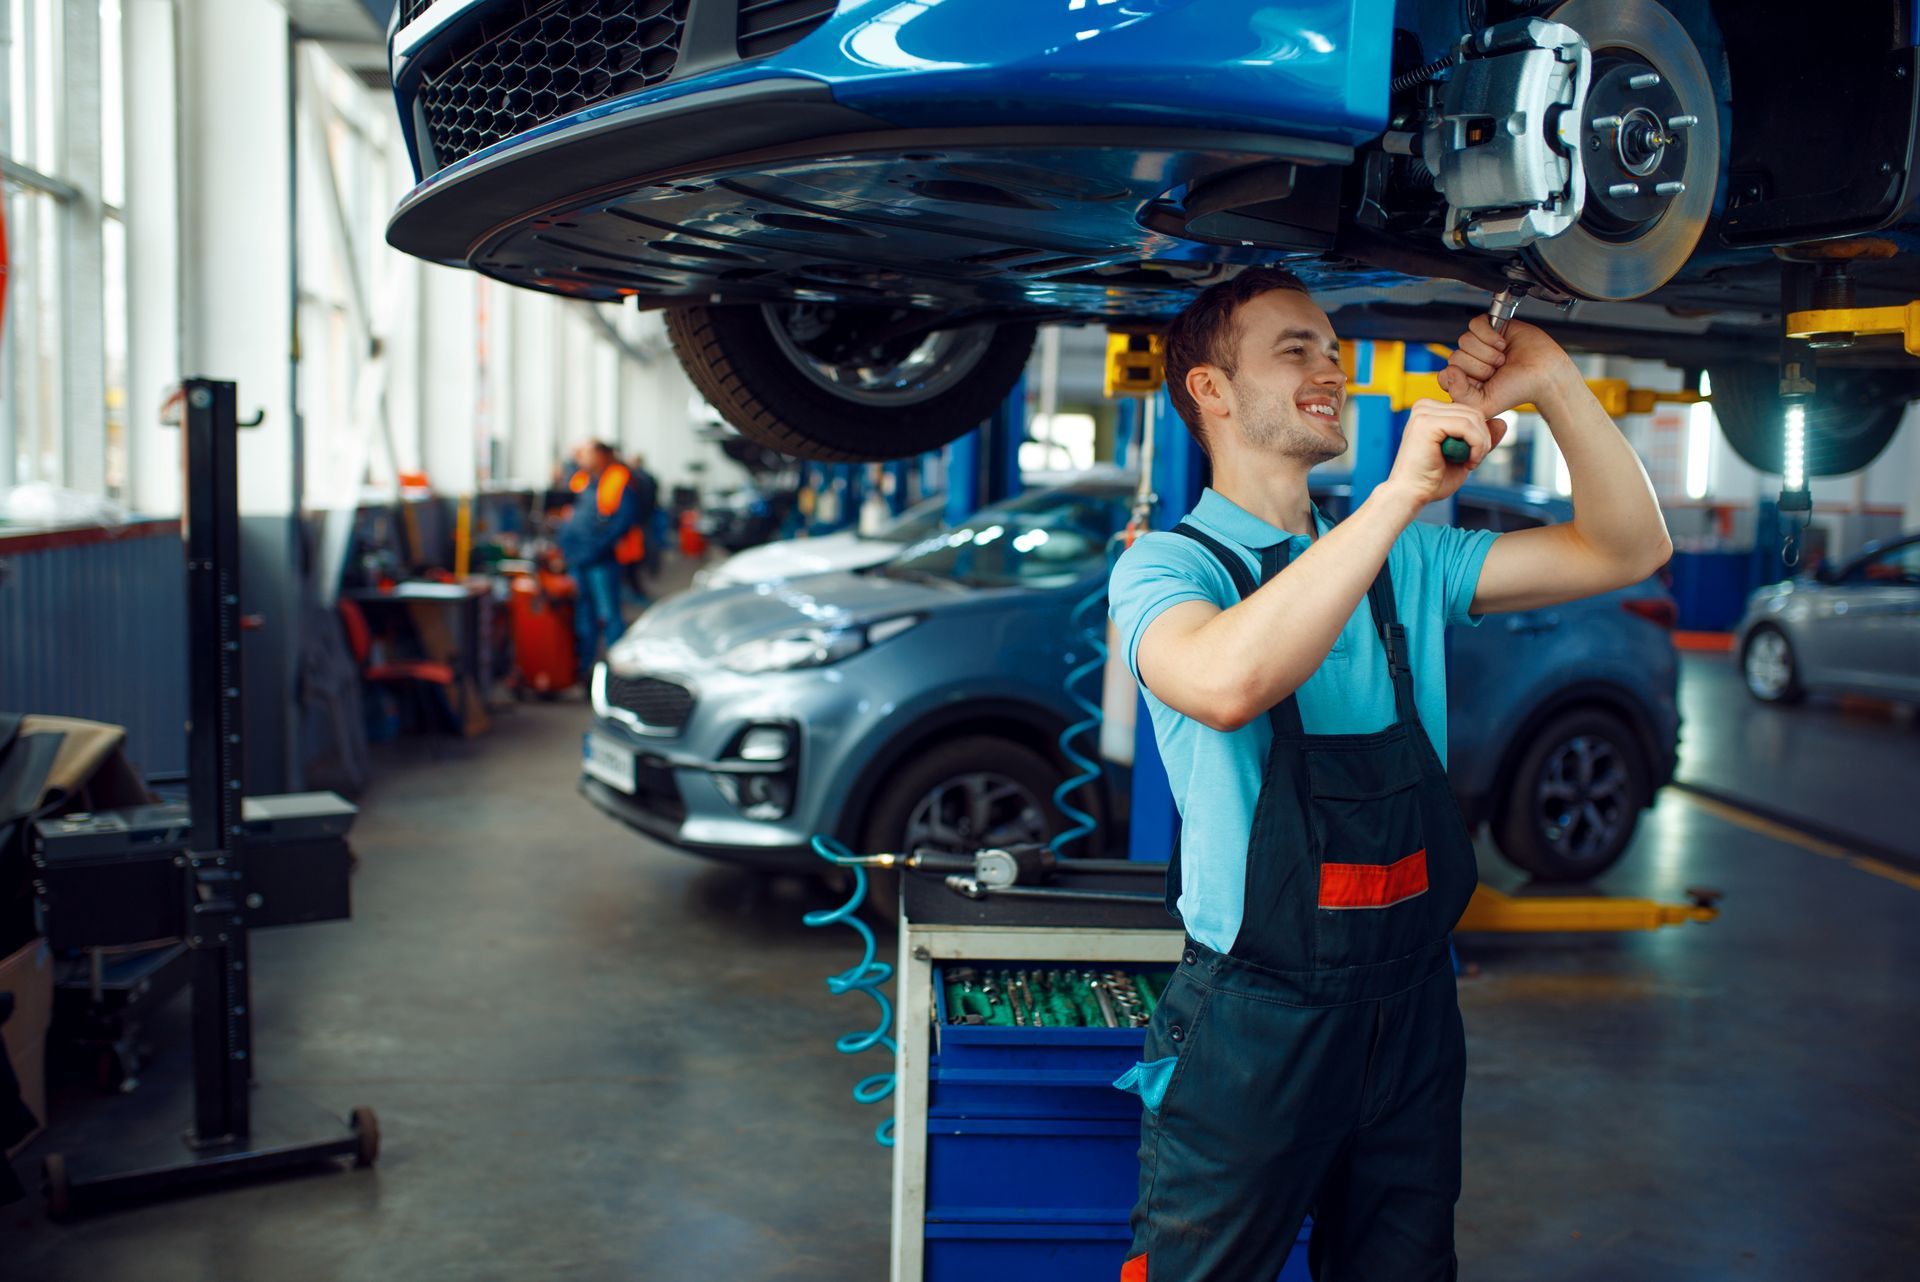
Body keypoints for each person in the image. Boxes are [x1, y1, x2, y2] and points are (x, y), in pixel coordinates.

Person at [1108, 267, 1671, 1281]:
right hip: (1253, 1024)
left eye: (1333, 347)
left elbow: (1628, 547)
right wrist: (1401, 493)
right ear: (1212, 391)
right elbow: (1230, 679)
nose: (1333, 368)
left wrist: (1547, 375)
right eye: (1296, 350)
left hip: (1412, 1009)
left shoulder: (1405, 566)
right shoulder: (1167, 569)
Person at [560, 441, 645, 669]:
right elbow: (571, 513)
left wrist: (598, 547)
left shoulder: (619, 478)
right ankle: (585, 669)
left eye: (586, 453)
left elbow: (623, 521)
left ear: (603, 455)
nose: (581, 457)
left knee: (609, 615)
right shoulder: (581, 479)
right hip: (577, 558)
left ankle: (618, 668)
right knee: (584, 616)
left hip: (602, 558)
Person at [624, 451, 661, 601]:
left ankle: (650, 569)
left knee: (645, 545)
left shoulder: (638, 478)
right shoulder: (648, 476)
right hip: (647, 515)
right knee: (650, 543)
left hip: (641, 518)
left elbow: (641, 499)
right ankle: (652, 568)